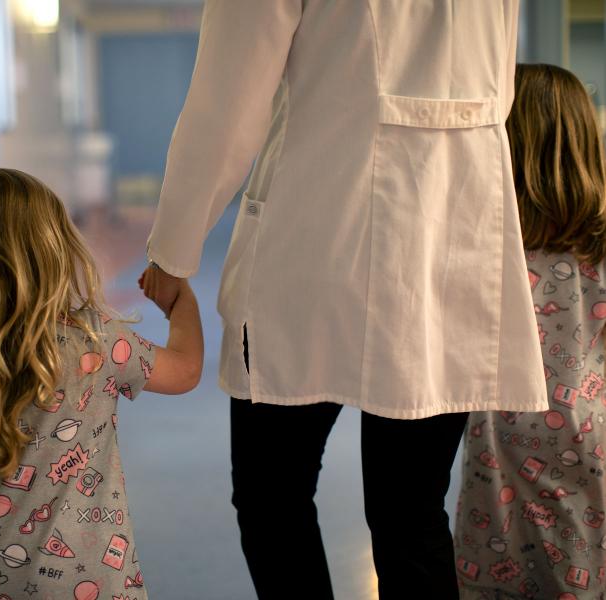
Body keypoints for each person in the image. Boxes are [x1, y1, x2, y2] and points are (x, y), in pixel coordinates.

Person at [140, 1, 550, 598]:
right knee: (411, 513)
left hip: (314, 242)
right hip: (450, 240)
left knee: (271, 493)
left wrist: (173, 250)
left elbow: (226, 109)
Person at [0, 168, 203, 599]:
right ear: (51, 248)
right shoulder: (95, 340)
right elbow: (186, 371)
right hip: (84, 576)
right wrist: (181, 300)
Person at [454, 64, 606, 600]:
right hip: (593, 436)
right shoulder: (599, 241)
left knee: (501, 562)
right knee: (584, 558)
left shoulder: (486, 240)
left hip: (501, 435)